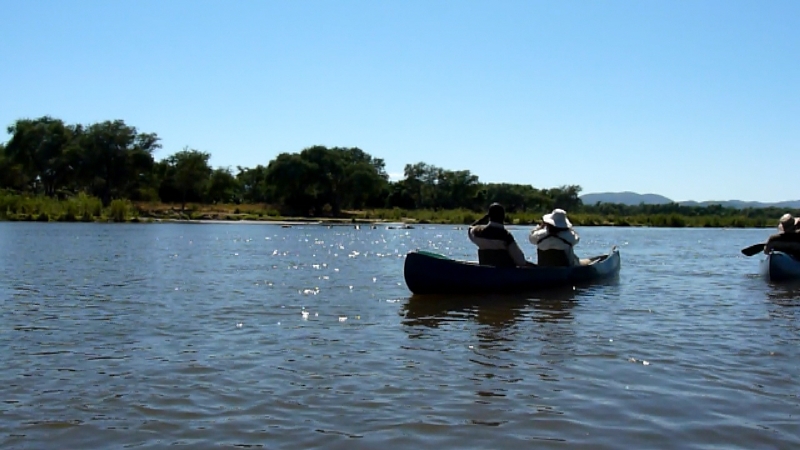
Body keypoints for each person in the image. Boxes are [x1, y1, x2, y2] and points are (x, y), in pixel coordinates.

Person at [468, 203, 529, 267]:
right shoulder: (506, 237)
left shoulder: (478, 233)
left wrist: (483, 219)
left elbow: (470, 229)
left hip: (485, 270)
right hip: (505, 271)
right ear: (503, 217)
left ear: (489, 216)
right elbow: (521, 261)